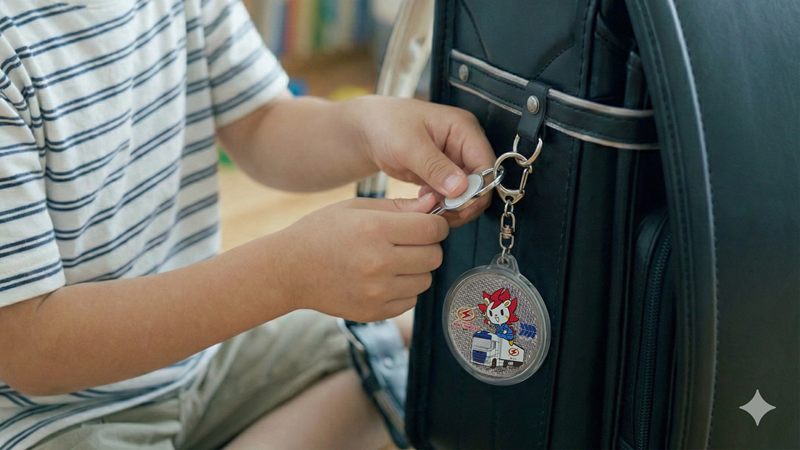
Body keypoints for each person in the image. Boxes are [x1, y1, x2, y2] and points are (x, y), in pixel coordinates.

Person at [0, 0, 494, 449]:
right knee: (395, 377)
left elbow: (260, 121)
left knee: (412, 342)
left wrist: (367, 127)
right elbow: (30, 348)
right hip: (53, 417)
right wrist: (285, 275)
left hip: (202, 354)